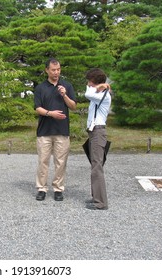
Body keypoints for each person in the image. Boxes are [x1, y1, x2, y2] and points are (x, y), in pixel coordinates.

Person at [34, 57, 77, 201]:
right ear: (47, 70)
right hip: (44, 131)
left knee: (61, 162)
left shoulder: (67, 86)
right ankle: (41, 188)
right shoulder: (40, 88)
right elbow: (37, 108)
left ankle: (58, 188)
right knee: (43, 161)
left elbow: (73, 106)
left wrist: (64, 95)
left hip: (62, 131)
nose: (56, 72)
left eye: (58, 69)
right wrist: (50, 113)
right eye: (53, 70)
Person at [84, 68, 111, 210]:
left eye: (90, 82)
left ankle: (100, 202)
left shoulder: (103, 95)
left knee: (97, 167)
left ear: (95, 82)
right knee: (95, 165)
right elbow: (90, 92)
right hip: (95, 132)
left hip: (98, 132)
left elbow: (87, 93)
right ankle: (96, 198)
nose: (88, 84)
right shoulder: (98, 93)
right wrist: (99, 87)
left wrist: (100, 86)